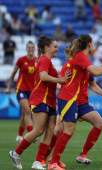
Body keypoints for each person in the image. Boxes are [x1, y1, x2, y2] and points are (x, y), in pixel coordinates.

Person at [48, 34, 102, 170]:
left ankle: (75, 156)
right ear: (89, 44)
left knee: (99, 123)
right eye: (93, 42)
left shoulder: (83, 58)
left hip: (78, 100)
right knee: (66, 130)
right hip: (69, 98)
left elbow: (93, 73)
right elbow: (96, 72)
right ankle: (52, 162)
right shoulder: (81, 57)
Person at [8, 35, 71, 169]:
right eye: (55, 47)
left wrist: (68, 89)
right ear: (47, 48)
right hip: (40, 98)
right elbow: (44, 77)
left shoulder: (49, 62)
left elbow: (59, 82)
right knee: (39, 130)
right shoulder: (43, 60)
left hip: (50, 100)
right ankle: (16, 153)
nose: (57, 49)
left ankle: (38, 161)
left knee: (50, 131)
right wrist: (61, 80)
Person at [5, 41, 36, 143]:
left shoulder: (37, 61)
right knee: (27, 110)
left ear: (34, 49)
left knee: (24, 113)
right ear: (26, 49)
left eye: (32, 47)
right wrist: (9, 87)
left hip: (32, 91)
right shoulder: (21, 60)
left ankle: (19, 135)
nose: (30, 49)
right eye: (29, 47)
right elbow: (13, 73)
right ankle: (32, 134)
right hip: (21, 89)